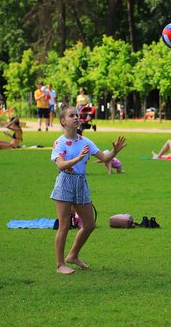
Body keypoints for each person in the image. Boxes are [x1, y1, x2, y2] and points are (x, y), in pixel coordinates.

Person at [50, 106, 126, 275]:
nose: (76, 118)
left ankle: (73, 255)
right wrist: (77, 158)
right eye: (71, 116)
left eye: (77, 115)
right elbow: (60, 165)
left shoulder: (86, 141)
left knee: (89, 224)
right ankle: (60, 264)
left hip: (81, 183)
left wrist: (114, 151)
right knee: (64, 226)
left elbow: (105, 158)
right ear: (63, 121)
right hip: (65, 183)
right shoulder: (60, 142)